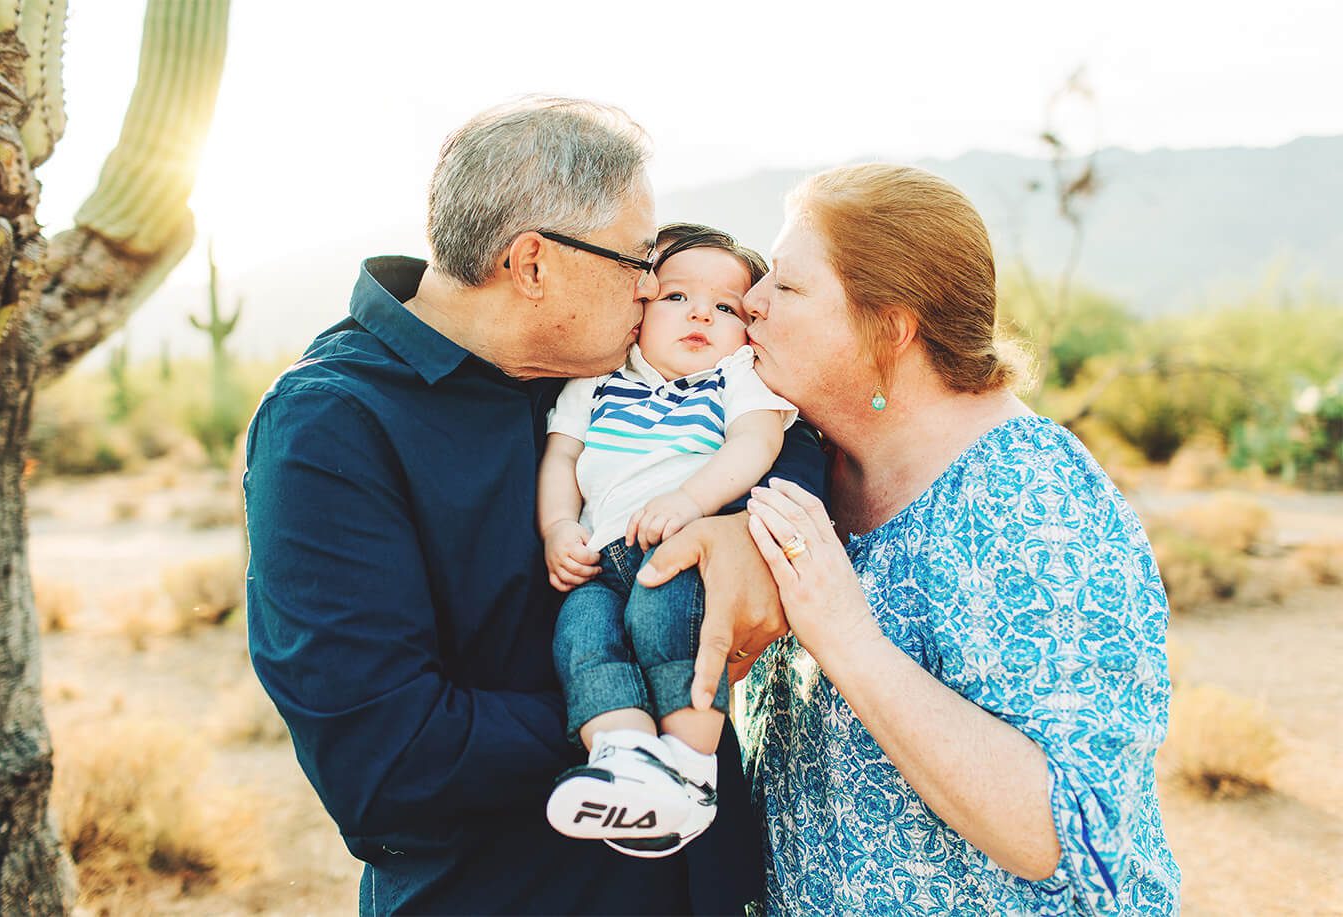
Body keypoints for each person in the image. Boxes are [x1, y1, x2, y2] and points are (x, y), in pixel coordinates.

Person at [243, 97, 827, 915]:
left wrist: (744, 529)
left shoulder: (600, 359)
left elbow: (778, 416)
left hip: (710, 887)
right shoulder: (330, 425)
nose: (654, 288)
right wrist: (638, 710)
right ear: (533, 265)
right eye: (638, 261)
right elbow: (383, 759)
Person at [678, 162, 1180, 913]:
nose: (750, 303)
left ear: (892, 326)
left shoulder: (1032, 498)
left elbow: (1064, 826)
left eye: (787, 286)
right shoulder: (807, 458)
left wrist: (846, 636)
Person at [540, 223, 794, 857]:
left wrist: (691, 501)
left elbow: (756, 444)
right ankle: (624, 761)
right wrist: (558, 526)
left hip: (677, 550)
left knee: (667, 631)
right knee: (582, 630)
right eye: (677, 297)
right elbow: (561, 457)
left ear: (747, 327)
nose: (701, 313)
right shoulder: (597, 382)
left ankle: (689, 770)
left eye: (726, 306)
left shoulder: (737, 377)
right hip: (599, 555)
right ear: (640, 310)